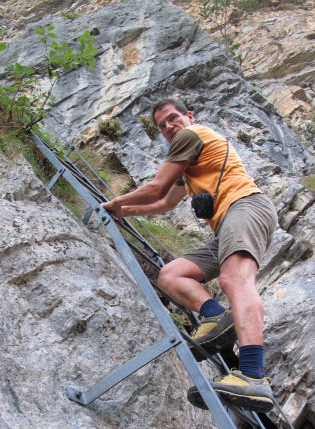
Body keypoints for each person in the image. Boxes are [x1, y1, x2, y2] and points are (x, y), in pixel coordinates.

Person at [102, 98, 277, 412]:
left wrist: (114, 203)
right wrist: (124, 211)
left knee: (235, 278)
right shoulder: (191, 161)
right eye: (162, 126)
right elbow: (165, 203)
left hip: (245, 206)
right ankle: (216, 318)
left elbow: (156, 187)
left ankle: (252, 374)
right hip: (225, 224)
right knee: (171, 275)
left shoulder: (191, 135)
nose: (169, 127)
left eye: (172, 118)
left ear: (189, 116)